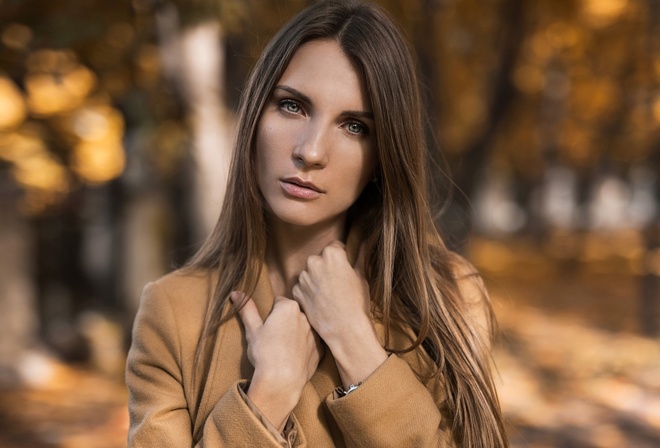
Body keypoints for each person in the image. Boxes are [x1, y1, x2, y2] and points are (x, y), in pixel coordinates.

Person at [126, 1, 508, 447]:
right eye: (292, 106)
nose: (310, 151)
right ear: (254, 118)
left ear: (384, 156)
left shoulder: (446, 295)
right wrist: (267, 397)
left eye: (354, 127)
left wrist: (357, 345)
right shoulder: (173, 313)